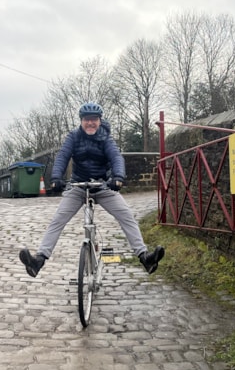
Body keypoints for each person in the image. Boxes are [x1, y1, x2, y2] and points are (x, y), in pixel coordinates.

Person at [19, 102, 165, 277]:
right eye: (87, 120)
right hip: (78, 186)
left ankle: (144, 257)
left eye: (94, 120)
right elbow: (62, 157)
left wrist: (117, 177)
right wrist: (56, 178)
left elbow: (116, 158)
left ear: (99, 121)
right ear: (81, 121)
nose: (90, 123)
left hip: (103, 186)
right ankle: (38, 261)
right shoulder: (73, 137)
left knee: (126, 215)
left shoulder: (106, 138)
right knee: (58, 219)